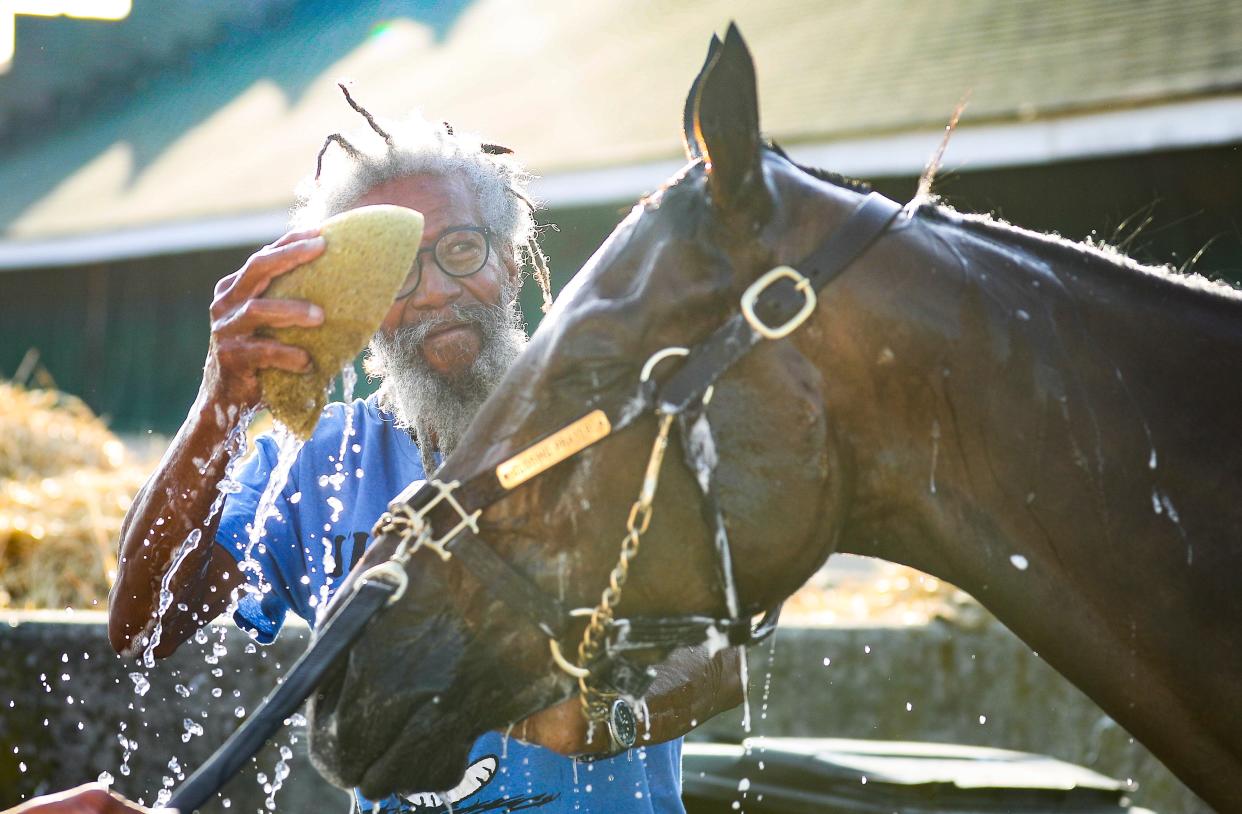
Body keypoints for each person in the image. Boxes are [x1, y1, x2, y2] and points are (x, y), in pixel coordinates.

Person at [106, 89, 742, 813]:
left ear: (506, 261)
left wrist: (574, 712)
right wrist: (219, 403)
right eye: (398, 270)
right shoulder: (321, 460)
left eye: (461, 250)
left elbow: (722, 657)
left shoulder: (623, 424)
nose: (437, 290)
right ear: (360, 304)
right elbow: (141, 626)